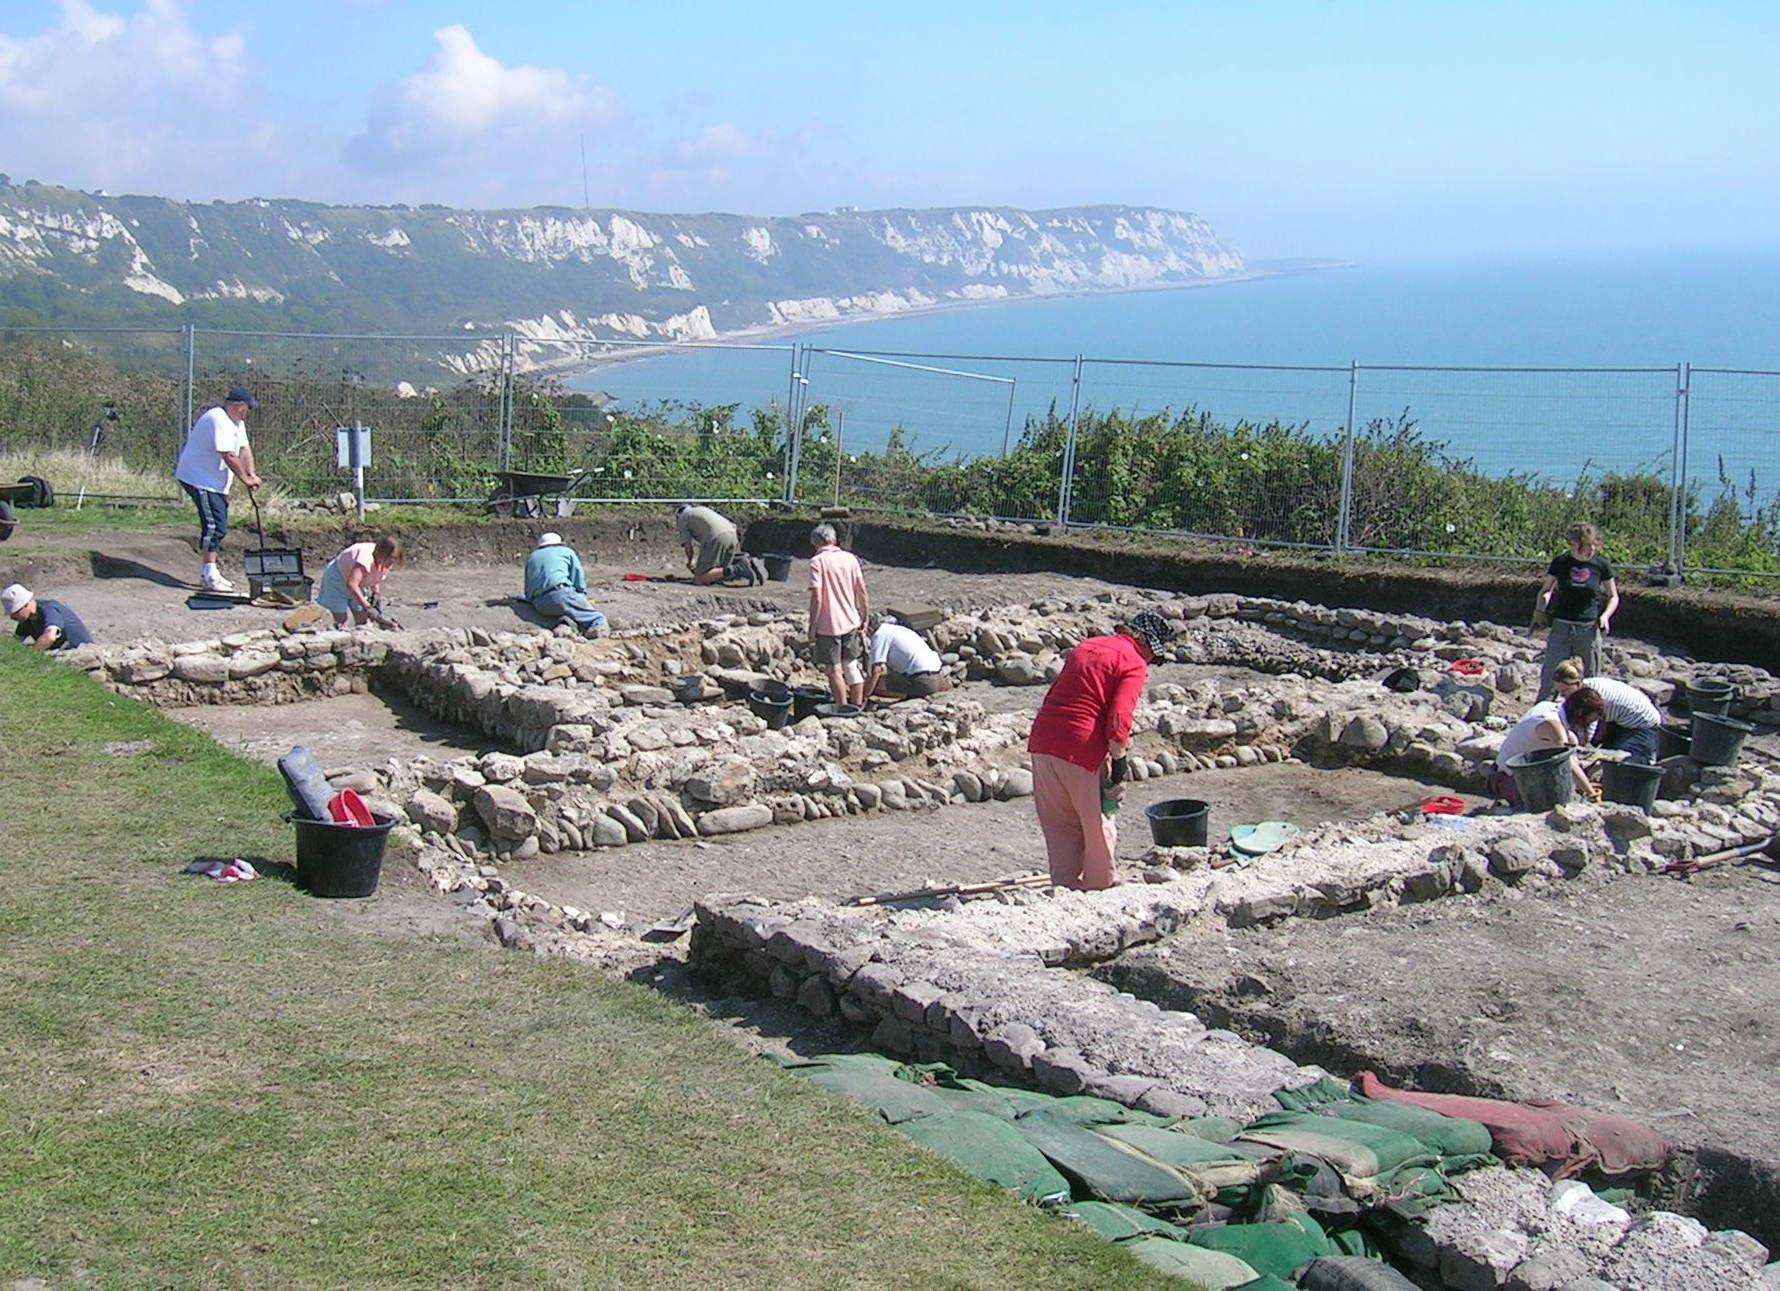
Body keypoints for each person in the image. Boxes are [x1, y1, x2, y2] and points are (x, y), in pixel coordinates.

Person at [1026, 610, 1175, 891]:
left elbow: (1058, 693)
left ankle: (1064, 890)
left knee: (1059, 824)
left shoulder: (1086, 646)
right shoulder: (1133, 662)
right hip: (1081, 748)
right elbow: (1119, 721)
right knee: (1098, 825)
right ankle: (1099, 891)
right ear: (1144, 643)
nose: (1152, 661)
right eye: (1153, 654)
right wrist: (1119, 765)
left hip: (1043, 742)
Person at [174, 386, 261, 593]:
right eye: (248, 408)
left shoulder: (237, 423)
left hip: (214, 482)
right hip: (199, 478)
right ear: (239, 407)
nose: (249, 412)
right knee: (215, 526)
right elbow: (228, 455)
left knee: (219, 523)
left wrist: (252, 474)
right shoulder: (218, 418)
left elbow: (244, 449)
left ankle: (211, 572)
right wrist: (244, 480)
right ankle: (209, 575)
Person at [1535, 522, 1618, 700]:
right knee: (1551, 675)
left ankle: (1584, 718)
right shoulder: (1560, 562)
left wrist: (1605, 616)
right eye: (1586, 546)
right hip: (1561, 626)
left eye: (1593, 546)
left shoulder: (1601, 565)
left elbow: (1613, 596)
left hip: (1588, 628)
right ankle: (1541, 716)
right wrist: (1540, 610)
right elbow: (1546, 590)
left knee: (1589, 680)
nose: (1591, 550)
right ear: (1572, 544)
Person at [1490, 697, 1595, 806]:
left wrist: (1583, 784)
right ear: (1580, 713)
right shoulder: (1553, 726)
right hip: (1509, 781)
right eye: (1588, 722)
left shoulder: (1550, 708)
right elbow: (1566, 760)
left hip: (1513, 772)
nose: (1586, 727)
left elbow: (1571, 753)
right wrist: (1591, 793)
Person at [1553, 659, 1661, 765]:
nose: (1562, 695)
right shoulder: (1584, 690)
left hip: (1642, 724)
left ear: (1576, 684)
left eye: (1565, 691)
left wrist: (1578, 752)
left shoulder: (1592, 697)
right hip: (1617, 720)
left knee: (1622, 762)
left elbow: (1588, 730)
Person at [807, 522, 869, 705]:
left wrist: (812, 626)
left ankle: (840, 710)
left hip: (829, 625)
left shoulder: (817, 562)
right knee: (850, 666)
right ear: (833, 540)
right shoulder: (850, 558)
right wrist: (864, 617)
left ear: (815, 543)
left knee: (834, 670)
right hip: (851, 621)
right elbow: (862, 590)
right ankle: (857, 707)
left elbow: (817, 597)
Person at [524, 532, 607, 637]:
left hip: (539, 604)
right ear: (559, 543)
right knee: (598, 619)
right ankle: (597, 635)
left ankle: (567, 625)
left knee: (568, 613)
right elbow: (577, 577)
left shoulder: (532, 557)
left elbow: (528, 588)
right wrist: (581, 596)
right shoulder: (566, 552)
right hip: (560, 595)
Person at [316, 536, 403, 629]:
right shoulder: (365, 558)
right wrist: (368, 607)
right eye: (390, 558)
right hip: (337, 581)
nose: (392, 562)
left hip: (358, 584)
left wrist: (376, 593)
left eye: (394, 558)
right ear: (382, 553)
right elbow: (352, 584)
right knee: (341, 621)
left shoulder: (384, 561)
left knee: (362, 619)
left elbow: (374, 574)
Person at [865, 612, 950, 700]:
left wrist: (865, 694)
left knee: (877, 685)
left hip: (924, 680)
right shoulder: (892, 629)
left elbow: (877, 670)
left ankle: (907, 696)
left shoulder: (879, 635)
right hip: (938, 676)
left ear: (868, 629)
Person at [675, 503, 760, 586]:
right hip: (732, 533)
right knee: (718, 574)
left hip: (717, 536)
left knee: (700, 578)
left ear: (678, 514)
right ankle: (747, 562)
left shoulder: (683, 517)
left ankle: (738, 568)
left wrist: (690, 562)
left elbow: (688, 545)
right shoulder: (700, 510)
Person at [3, 583, 93, 651]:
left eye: (16, 612)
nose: (12, 617)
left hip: (82, 651)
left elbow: (50, 637)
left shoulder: (49, 609)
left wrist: (30, 655)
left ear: (26, 605)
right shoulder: (27, 620)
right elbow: (16, 642)